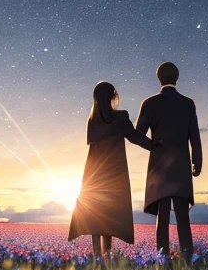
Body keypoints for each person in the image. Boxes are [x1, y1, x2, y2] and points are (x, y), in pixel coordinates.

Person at [68, 80, 158, 260]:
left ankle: (96, 259)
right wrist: (156, 147)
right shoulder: (120, 117)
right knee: (108, 213)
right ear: (113, 96)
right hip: (113, 172)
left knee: (95, 213)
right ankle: (106, 258)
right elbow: (135, 137)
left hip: (93, 173)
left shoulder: (92, 120)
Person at [136, 61, 202, 263]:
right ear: (177, 78)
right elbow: (194, 137)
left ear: (159, 78)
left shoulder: (149, 103)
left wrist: (153, 146)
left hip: (159, 169)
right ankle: (187, 260)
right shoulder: (188, 103)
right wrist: (196, 162)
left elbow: (138, 135)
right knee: (183, 217)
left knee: (161, 217)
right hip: (181, 167)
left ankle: (162, 260)